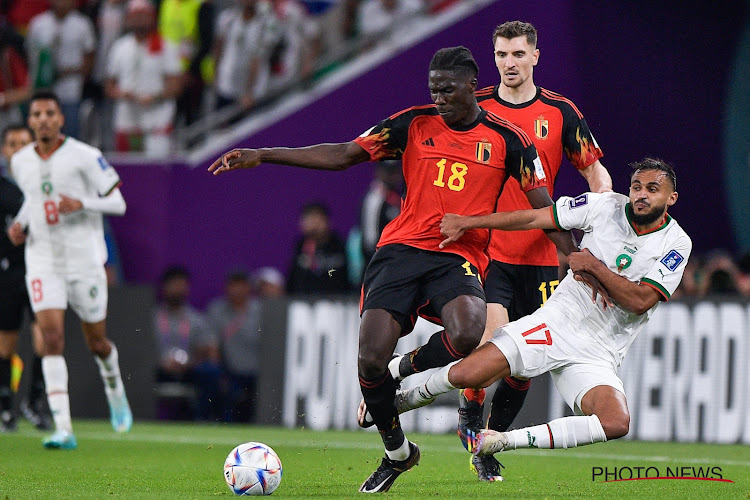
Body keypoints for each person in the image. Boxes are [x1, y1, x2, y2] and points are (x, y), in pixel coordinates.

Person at [209, 46, 581, 493]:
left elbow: (544, 208)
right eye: (433, 90)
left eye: (447, 90)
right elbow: (345, 153)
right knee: (369, 360)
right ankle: (398, 454)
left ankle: (404, 368)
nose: (439, 98)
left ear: (470, 85)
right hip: (400, 252)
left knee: (468, 334)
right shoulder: (412, 123)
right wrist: (263, 154)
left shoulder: (509, 140)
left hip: (458, 256)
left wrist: (577, 258)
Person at [393, 158, 691, 469]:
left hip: (600, 351)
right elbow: (534, 218)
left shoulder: (677, 243)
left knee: (615, 421)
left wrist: (594, 267)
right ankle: (408, 398)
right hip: (558, 322)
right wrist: (470, 222)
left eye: (652, 189)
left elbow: (641, 300)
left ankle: (499, 440)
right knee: (468, 375)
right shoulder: (604, 206)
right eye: (636, 187)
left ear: (671, 198)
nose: (641, 195)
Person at [452, 20, 613, 481]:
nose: (509, 64)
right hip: (489, 252)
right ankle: (470, 405)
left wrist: (600, 217)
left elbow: (595, 174)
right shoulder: (476, 106)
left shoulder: (561, 113)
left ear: (535, 56)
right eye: (501, 55)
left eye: (518, 55)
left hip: (544, 256)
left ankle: (489, 443)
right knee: (490, 345)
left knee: (525, 366)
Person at [6, 90, 132, 449]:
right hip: (42, 259)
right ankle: (64, 429)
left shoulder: (86, 156)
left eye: (50, 113)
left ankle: (114, 386)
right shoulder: (21, 161)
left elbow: (119, 202)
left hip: (83, 259)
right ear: (30, 122)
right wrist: (19, 224)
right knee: (51, 338)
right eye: (37, 114)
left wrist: (83, 203)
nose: (44, 119)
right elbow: (34, 201)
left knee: (97, 342)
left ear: (61, 119)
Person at [0, 124, 52, 432]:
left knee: (45, 338)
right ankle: (6, 407)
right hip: (8, 271)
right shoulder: (2, 189)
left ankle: (33, 402)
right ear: (5, 151)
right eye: (12, 143)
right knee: (6, 343)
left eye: (24, 142)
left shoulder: (45, 184)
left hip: (42, 269)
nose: (18, 148)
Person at [105, 0, 182, 156]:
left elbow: (176, 85)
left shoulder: (166, 46)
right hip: (127, 121)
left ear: (152, 18)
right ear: (128, 19)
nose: (139, 20)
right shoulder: (120, 47)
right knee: (129, 169)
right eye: (135, 16)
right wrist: (121, 94)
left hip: (157, 121)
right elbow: (109, 85)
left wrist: (154, 97)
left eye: (144, 16)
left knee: (155, 169)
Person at [153, 265, 219, 421]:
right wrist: (160, 362)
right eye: (174, 284)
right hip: (159, 370)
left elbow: (209, 349)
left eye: (181, 285)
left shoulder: (196, 319)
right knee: (138, 371)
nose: (178, 289)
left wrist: (190, 363)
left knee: (210, 372)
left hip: (188, 370)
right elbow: (140, 349)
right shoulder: (152, 317)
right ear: (164, 287)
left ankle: (202, 420)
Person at [26, 0, 96, 139]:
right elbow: (30, 56)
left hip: (70, 89)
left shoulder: (82, 24)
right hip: (42, 89)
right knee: (42, 135)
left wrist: (69, 72)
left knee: (69, 135)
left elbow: (90, 57)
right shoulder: (38, 23)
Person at [206, 268, 261, 422]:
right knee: (211, 375)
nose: (237, 290)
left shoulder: (261, 310)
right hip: (230, 372)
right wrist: (219, 370)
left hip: (257, 373)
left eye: (241, 285)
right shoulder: (217, 310)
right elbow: (212, 344)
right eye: (233, 285)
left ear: (248, 287)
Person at [287, 201, 351, 295]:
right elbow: (293, 282)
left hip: (337, 302)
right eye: (309, 219)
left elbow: (348, 278)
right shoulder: (299, 247)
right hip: (304, 303)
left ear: (327, 221)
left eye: (318, 219)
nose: (314, 225)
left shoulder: (340, 246)